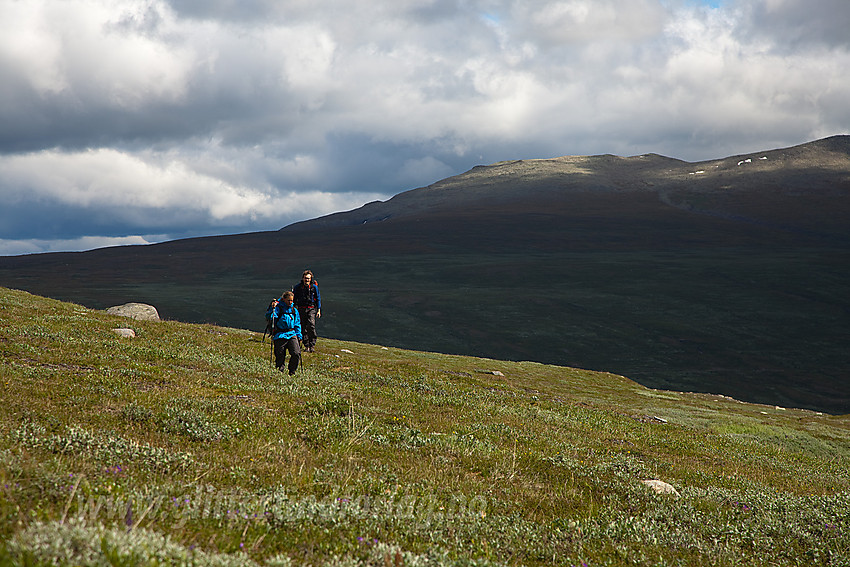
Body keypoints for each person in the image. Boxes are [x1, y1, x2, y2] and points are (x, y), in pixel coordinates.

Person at [266, 291, 302, 375]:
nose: (290, 302)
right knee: (280, 354)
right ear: (284, 299)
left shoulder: (294, 310)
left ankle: (292, 371)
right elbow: (271, 317)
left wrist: (299, 335)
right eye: (288, 300)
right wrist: (273, 309)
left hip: (292, 333)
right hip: (280, 334)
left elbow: (297, 323)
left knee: (296, 353)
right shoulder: (278, 308)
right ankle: (280, 369)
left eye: (292, 300)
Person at [292, 269, 321, 352]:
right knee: (303, 327)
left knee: (311, 325)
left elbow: (318, 298)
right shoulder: (298, 287)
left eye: (308, 278)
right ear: (303, 278)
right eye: (305, 278)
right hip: (301, 309)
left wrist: (318, 310)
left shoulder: (314, 287)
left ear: (311, 279)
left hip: (311, 308)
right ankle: (306, 345)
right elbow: (294, 298)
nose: (307, 280)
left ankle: (312, 344)